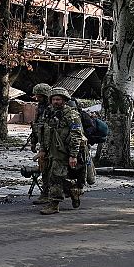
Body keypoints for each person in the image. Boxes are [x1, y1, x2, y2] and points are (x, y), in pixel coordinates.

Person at [37, 87, 85, 215]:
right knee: (48, 175)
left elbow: (76, 135)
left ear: (64, 100)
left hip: (63, 151)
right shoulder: (48, 112)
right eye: (53, 99)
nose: (56, 102)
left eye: (58, 99)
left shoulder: (71, 114)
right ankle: (73, 190)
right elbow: (43, 131)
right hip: (50, 150)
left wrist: (73, 155)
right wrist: (42, 149)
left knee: (56, 177)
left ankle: (54, 204)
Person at [29, 83, 52, 205]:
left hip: (55, 146)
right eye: (36, 96)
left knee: (55, 171)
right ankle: (46, 193)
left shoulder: (54, 109)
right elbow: (36, 127)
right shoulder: (40, 108)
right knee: (44, 169)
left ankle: (67, 190)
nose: (37, 99)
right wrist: (33, 143)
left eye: (40, 96)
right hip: (43, 145)